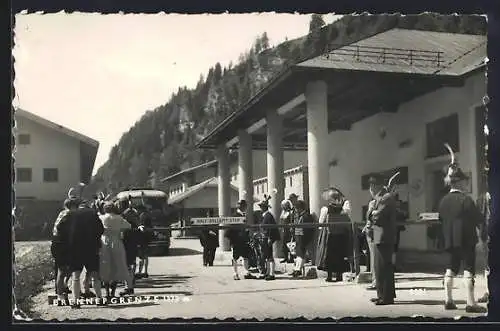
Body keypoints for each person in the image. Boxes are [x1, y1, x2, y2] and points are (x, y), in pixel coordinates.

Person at [438, 168, 487, 313]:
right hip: (466, 240)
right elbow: (478, 219)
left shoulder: (443, 201)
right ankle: (471, 303)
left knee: (450, 268)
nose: (466, 184)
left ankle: (448, 300)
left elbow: (440, 219)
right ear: (459, 182)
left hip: (450, 241)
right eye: (465, 181)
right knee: (468, 270)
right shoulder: (466, 200)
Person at [66, 199, 105, 308]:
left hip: (75, 249)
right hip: (91, 248)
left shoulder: (72, 215)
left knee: (76, 276)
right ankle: (99, 299)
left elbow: (65, 231)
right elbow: (101, 230)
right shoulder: (93, 214)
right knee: (95, 275)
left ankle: (75, 301)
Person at [366, 174, 397, 305]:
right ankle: (382, 294)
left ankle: (385, 297)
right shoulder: (380, 198)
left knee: (383, 267)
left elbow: (376, 217)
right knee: (381, 267)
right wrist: (372, 212)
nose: (370, 188)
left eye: (372, 185)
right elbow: (370, 215)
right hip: (380, 235)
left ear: (377, 185)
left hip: (383, 236)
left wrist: (373, 212)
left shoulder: (386, 197)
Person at [99, 202, 137, 298]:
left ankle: (107, 292)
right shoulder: (119, 218)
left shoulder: (101, 218)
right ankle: (114, 291)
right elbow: (128, 226)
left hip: (104, 242)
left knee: (105, 266)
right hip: (116, 242)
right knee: (118, 265)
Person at [316, 188, 352, 282]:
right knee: (339, 254)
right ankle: (339, 275)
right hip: (340, 234)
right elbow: (347, 219)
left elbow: (321, 222)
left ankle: (329, 275)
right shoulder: (343, 209)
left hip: (329, 234)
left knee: (329, 255)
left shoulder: (325, 209)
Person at [51, 198, 79, 303]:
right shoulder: (70, 215)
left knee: (63, 270)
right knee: (62, 271)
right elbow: (62, 229)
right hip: (63, 245)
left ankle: (62, 290)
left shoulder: (62, 213)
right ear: (73, 207)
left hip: (56, 244)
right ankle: (60, 295)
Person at [225, 200, 256, 280]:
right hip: (237, 240)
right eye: (245, 206)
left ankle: (246, 272)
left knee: (246, 256)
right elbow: (230, 229)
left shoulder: (243, 215)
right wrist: (232, 241)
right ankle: (235, 273)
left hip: (244, 240)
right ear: (242, 206)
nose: (246, 208)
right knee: (235, 257)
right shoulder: (235, 216)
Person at [257, 196, 281, 280]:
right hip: (264, 238)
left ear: (265, 207)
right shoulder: (264, 216)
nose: (260, 208)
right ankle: (267, 272)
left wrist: (270, 238)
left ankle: (272, 274)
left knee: (269, 256)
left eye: (262, 206)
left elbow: (271, 228)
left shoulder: (268, 216)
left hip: (267, 238)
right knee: (266, 256)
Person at [290, 200, 313, 278]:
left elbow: (308, 229)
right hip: (297, 235)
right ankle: (296, 268)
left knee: (301, 253)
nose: (296, 210)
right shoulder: (298, 215)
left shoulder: (306, 216)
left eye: (296, 208)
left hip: (303, 236)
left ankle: (298, 269)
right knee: (297, 253)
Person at [121, 197, 141, 284]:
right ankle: (131, 279)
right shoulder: (134, 212)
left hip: (126, 240)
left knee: (127, 262)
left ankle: (128, 280)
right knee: (132, 261)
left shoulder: (124, 214)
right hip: (133, 239)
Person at [477, 191, 491, 303]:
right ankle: (488, 291)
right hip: (487, 235)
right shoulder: (482, 198)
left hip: (487, 234)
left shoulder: (482, 198)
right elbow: (479, 218)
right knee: (487, 266)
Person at [136, 206, 154, 278]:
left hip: (142, 238)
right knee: (145, 256)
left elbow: (142, 227)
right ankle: (145, 271)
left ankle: (140, 272)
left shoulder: (142, 216)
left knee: (141, 256)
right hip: (147, 238)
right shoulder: (148, 216)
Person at [279, 199, 295, 264]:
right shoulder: (283, 212)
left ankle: (291, 258)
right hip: (283, 230)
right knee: (283, 244)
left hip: (288, 230)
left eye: (284, 205)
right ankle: (285, 257)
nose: (283, 207)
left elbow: (291, 221)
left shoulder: (290, 212)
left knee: (290, 243)